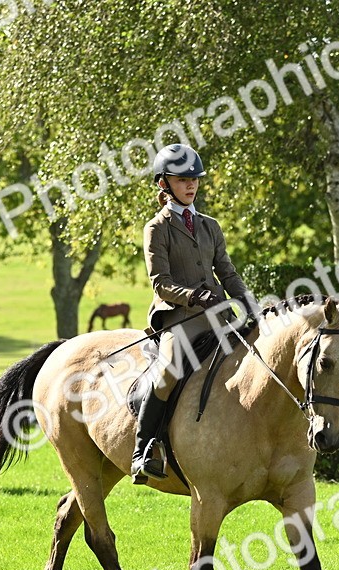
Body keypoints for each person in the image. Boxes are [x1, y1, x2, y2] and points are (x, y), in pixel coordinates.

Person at [131, 144, 259, 483]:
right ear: (164, 184)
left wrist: (248, 302)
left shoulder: (210, 226)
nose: (191, 186)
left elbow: (227, 272)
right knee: (169, 372)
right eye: (182, 180)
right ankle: (143, 450)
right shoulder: (156, 228)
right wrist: (193, 295)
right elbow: (160, 284)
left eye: (195, 180)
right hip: (180, 318)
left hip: (218, 314)